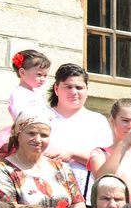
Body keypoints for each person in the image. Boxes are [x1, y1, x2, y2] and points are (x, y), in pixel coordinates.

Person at [0, 112, 84, 208]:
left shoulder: (62, 168)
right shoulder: (3, 169)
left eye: (44, 135)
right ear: (18, 134)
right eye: (31, 133)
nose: (38, 140)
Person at [41, 65, 112, 197]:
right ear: (56, 89)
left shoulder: (97, 121)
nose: (74, 92)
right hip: (46, 191)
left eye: (79, 87)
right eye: (68, 86)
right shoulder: (41, 116)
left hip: (86, 195)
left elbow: (107, 164)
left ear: (86, 90)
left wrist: (73, 155)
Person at [7, 49, 50, 124]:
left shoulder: (38, 92)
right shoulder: (19, 93)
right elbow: (18, 114)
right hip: (26, 130)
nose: (43, 79)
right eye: (39, 74)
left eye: (45, 75)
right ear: (22, 72)